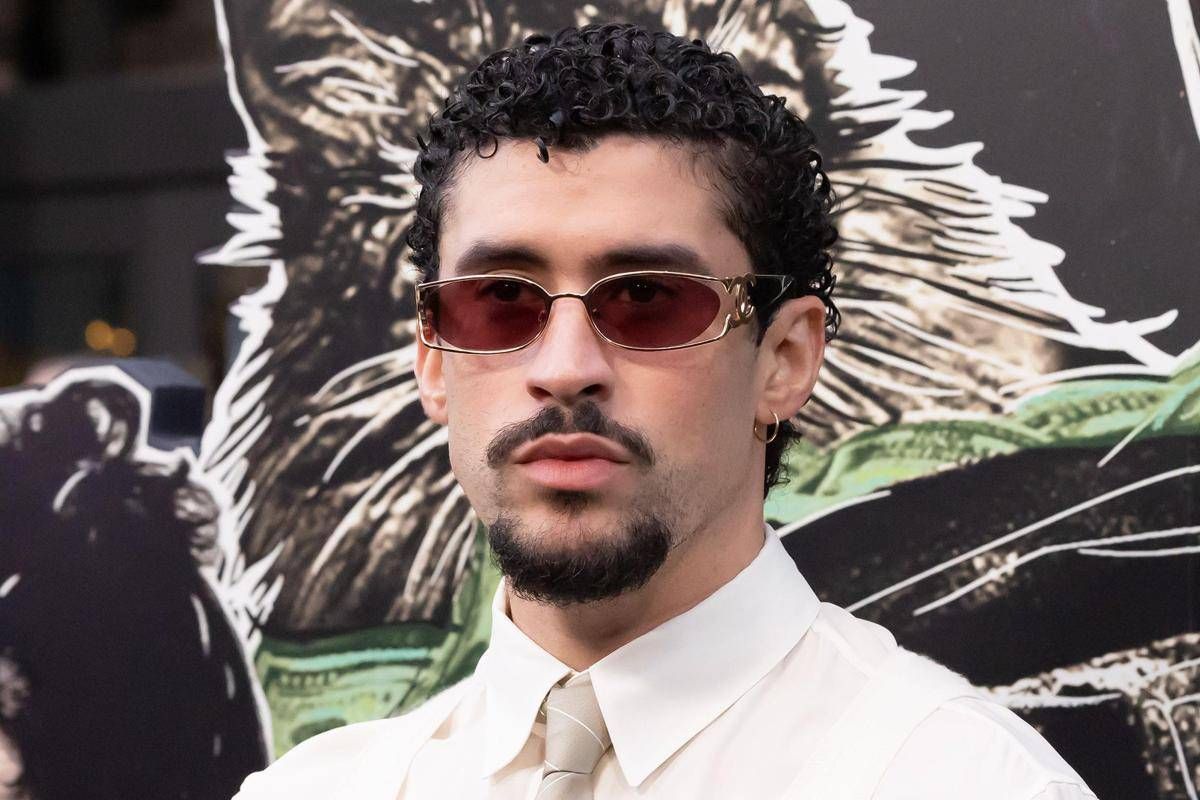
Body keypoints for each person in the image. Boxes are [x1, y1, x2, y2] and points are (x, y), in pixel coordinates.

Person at [233, 23, 1096, 800]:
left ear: (785, 360)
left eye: (647, 298)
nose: (564, 369)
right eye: (500, 301)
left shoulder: (967, 783)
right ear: (431, 357)